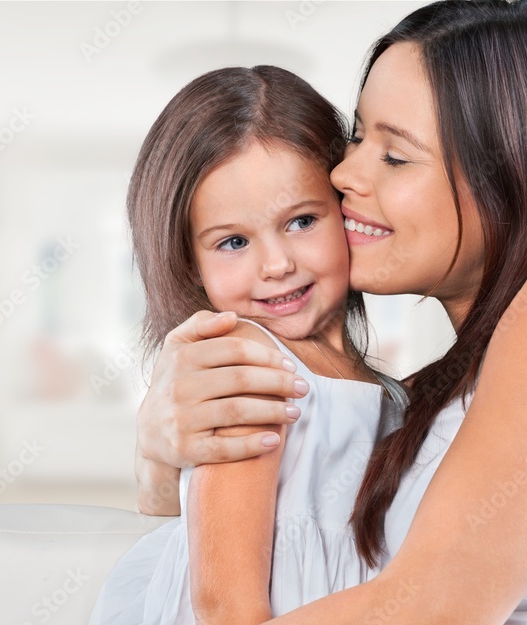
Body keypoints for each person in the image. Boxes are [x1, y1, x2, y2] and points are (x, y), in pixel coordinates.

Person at [133, 1, 527, 623]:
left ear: (514, 175)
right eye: (359, 136)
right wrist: (159, 458)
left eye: (395, 156)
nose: (343, 173)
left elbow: (427, 609)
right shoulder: (425, 401)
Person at [88, 65, 408, 625]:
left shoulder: (390, 393)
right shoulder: (242, 363)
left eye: (302, 221)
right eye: (233, 241)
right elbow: (226, 606)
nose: (277, 265)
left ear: (347, 212)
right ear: (191, 263)